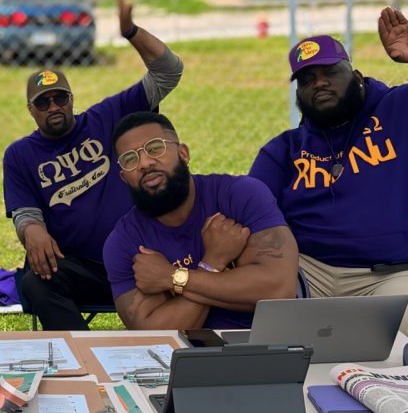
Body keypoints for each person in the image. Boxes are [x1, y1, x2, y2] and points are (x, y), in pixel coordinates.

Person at [249, 9, 408, 342]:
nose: (319, 83)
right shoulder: (285, 150)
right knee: (251, 299)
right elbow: (249, 215)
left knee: (391, 320)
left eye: (329, 72)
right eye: (307, 79)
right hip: (315, 274)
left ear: (355, 74)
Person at [2, 0, 184, 330]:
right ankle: (85, 353)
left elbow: (168, 72)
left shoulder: (106, 117)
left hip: (137, 256)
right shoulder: (20, 154)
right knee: (34, 282)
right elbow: (24, 212)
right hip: (79, 265)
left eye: (60, 98)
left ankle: (156, 353)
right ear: (31, 110)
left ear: (72, 100)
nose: (53, 106)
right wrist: (31, 232)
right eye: (43, 102)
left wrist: (132, 32)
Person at [102, 112, 299, 330]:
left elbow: (279, 290)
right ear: (123, 178)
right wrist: (213, 263)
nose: (145, 163)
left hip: (262, 344)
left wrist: (171, 278)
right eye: (130, 159)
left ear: (183, 154)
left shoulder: (241, 195)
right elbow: (152, 333)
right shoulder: (124, 242)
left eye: (155, 148)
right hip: (183, 358)